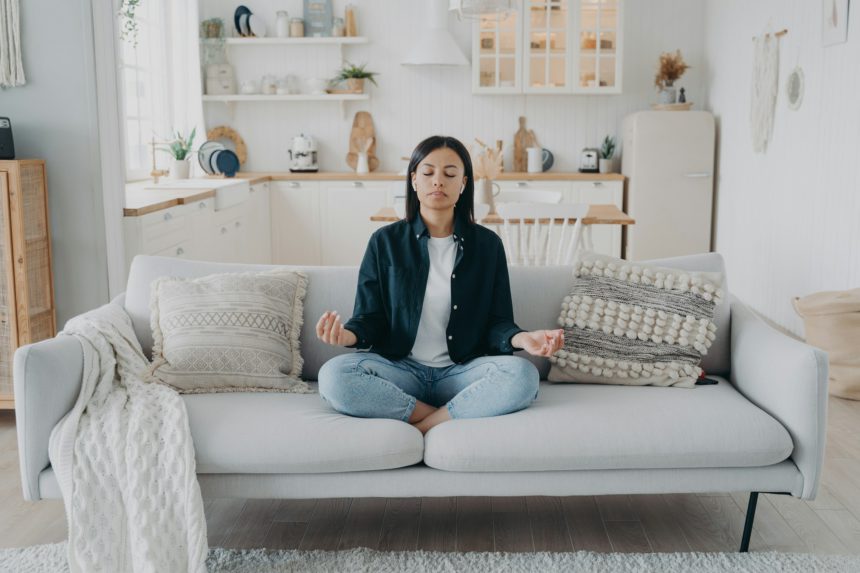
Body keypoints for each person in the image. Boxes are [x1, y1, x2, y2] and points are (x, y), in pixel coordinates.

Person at [316, 135, 564, 435]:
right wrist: (347, 336)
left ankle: (425, 425)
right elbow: (370, 319)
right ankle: (444, 415)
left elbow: (497, 323)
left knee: (523, 376)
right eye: (428, 172)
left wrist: (523, 338)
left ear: (463, 184)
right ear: (414, 180)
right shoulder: (385, 242)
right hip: (400, 370)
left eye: (449, 174)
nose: (438, 182)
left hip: (462, 372)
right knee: (334, 376)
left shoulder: (488, 246)